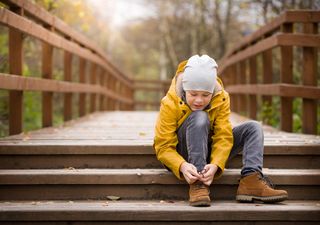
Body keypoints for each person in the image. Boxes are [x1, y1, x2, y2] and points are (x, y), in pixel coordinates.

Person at [153, 54, 288, 207]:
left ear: (212, 92)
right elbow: (163, 146)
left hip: (209, 149)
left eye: (205, 95)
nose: (199, 100)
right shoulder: (170, 102)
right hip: (184, 154)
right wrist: (182, 165)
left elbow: (224, 135)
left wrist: (217, 163)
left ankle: (250, 181)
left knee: (253, 128)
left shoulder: (221, 97)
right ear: (185, 88)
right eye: (193, 94)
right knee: (200, 116)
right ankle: (198, 184)